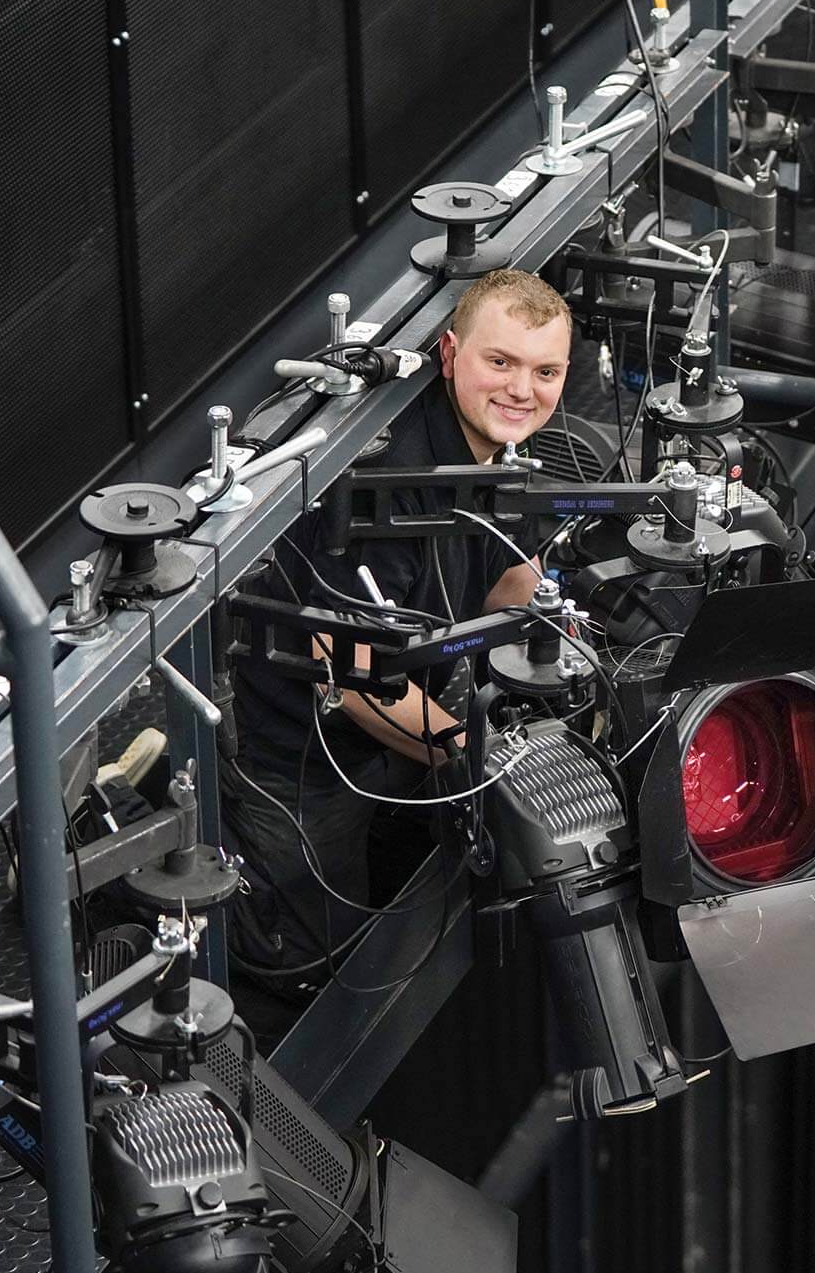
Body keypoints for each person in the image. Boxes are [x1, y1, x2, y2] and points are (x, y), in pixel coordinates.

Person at [221, 268, 572, 1041]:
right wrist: (479, 758)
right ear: (450, 353)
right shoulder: (385, 478)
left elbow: (509, 573)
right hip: (299, 752)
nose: (523, 390)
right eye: (501, 362)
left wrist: (561, 646)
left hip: (410, 718)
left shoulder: (498, 444)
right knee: (301, 967)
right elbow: (356, 680)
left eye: (546, 371)